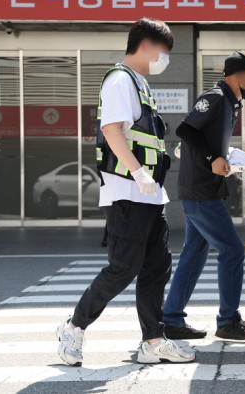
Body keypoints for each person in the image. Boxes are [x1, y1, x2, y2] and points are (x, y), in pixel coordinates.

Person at [56, 18, 195, 366]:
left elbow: (142, 137)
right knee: (123, 268)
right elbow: (112, 131)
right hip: (126, 193)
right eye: (163, 51)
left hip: (148, 195)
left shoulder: (140, 83)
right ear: (147, 45)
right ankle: (73, 327)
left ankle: (152, 340)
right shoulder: (120, 80)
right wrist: (136, 172)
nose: (164, 58)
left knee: (156, 268)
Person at [162, 51, 245, 341]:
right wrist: (211, 156)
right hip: (200, 191)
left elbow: (197, 136)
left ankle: (171, 319)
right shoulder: (217, 96)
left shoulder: (231, 102)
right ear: (241, 75)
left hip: (203, 188)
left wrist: (219, 155)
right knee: (233, 250)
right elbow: (186, 128)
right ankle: (228, 321)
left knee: (193, 255)